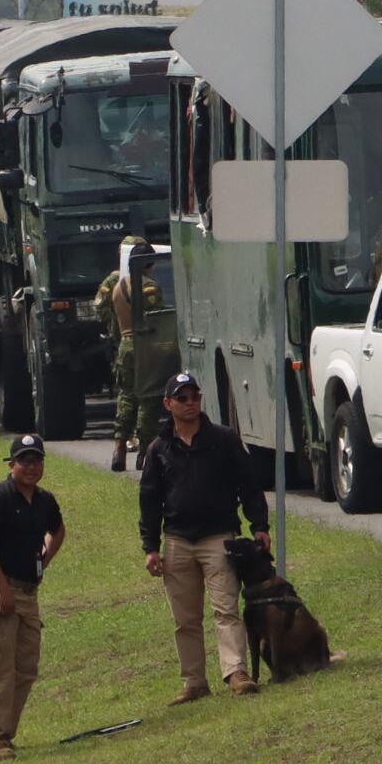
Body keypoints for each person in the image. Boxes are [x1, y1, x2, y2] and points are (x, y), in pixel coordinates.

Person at [138, 371, 271, 701]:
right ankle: (194, 681)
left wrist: (259, 525)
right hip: (178, 540)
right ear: (168, 404)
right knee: (185, 619)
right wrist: (151, 548)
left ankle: (236, 671)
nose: (190, 403)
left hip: (218, 536)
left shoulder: (224, 439)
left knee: (225, 608)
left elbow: (249, 485)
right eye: (182, 398)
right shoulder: (159, 449)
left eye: (195, 397)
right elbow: (150, 500)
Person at [0, 435, 66, 757]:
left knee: (26, 666)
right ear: (11, 464)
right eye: (24, 461)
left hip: (28, 592)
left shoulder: (44, 500)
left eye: (36, 460)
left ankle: (5, 734)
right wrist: (2, 589)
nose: (31, 467)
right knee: (0, 665)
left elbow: (58, 529)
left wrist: (44, 562)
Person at [96, 237, 171, 469]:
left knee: (126, 397)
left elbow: (102, 309)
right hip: (145, 345)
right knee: (149, 398)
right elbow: (157, 317)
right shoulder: (148, 286)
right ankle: (145, 453)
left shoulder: (117, 285)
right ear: (149, 262)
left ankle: (119, 449)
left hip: (124, 346)